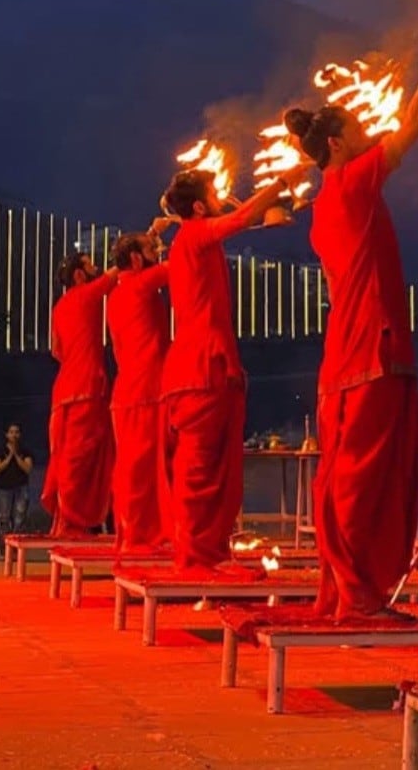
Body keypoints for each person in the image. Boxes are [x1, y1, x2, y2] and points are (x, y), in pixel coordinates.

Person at [285, 34, 418, 624]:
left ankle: (340, 591)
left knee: (344, 474)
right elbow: (414, 125)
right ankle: (359, 595)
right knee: (368, 476)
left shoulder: (319, 209)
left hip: (344, 353)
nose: (369, 132)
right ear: (337, 143)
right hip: (374, 347)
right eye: (358, 129)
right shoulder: (356, 179)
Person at [160, 168, 306, 571]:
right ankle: (195, 560)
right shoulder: (193, 234)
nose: (223, 195)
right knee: (200, 472)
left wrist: (268, 211)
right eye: (214, 192)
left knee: (212, 470)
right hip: (200, 370)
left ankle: (206, 554)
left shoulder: (192, 240)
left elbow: (240, 221)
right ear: (199, 206)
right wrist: (279, 183)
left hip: (201, 368)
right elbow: (239, 220)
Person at [41, 251, 117, 537]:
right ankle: (73, 523)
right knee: (81, 458)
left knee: (67, 456)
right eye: (89, 264)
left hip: (64, 388)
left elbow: (57, 351)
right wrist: (152, 234)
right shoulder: (87, 294)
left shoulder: (59, 307)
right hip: (85, 387)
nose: (95, 267)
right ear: (78, 275)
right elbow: (119, 270)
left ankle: (69, 520)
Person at [107, 228, 171, 553]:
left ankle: (133, 538)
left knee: (132, 469)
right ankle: (144, 540)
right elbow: (184, 262)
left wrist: (153, 232)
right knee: (147, 471)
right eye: (151, 248)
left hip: (126, 393)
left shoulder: (117, 293)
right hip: (146, 390)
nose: (158, 251)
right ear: (135, 259)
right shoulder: (144, 284)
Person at [0, 423, 34, 554]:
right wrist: (9, 456)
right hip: (4, 488)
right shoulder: (0, 450)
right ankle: (5, 551)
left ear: (20, 435)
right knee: (4, 520)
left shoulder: (25, 451)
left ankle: (17, 551)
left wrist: (16, 455)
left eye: (16, 432)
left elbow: (28, 469)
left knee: (19, 520)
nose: (14, 435)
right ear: (7, 435)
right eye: (11, 432)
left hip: (21, 488)